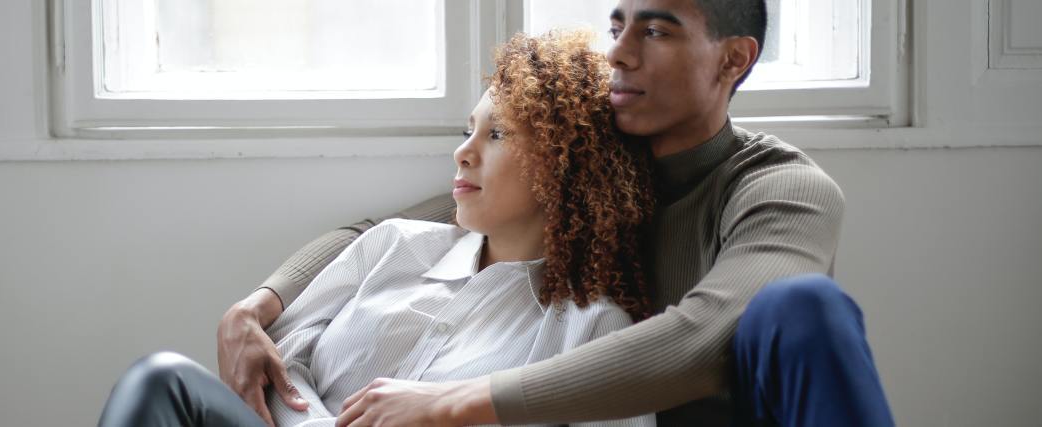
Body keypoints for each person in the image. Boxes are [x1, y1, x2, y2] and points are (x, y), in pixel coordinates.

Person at [219, 1, 897, 426]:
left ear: (733, 59)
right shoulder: (587, 167)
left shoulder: (779, 187)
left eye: (655, 29)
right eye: (617, 24)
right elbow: (395, 231)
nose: (621, 52)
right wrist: (255, 307)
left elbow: (706, 334)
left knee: (802, 305)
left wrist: (463, 401)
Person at [99, 30, 658, 427]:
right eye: (470, 130)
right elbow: (282, 359)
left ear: (564, 166)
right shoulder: (392, 246)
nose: (463, 153)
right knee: (163, 378)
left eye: (498, 135)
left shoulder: (591, 329)